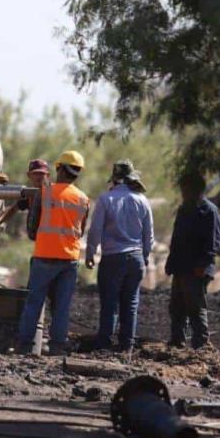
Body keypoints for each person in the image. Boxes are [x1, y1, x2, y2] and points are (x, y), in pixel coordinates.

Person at [17, 150, 90, 355]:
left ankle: (25, 346)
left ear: (58, 168)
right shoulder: (83, 199)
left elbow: (32, 228)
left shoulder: (45, 193)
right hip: (69, 260)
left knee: (34, 303)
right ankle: (57, 347)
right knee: (62, 306)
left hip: (44, 257)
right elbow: (81, 231)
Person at [86, 160, 154, 352]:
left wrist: (90, 253)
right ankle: (127, 347)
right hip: (136, 258)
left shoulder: (106, 199)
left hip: (112, 258)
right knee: (131, 303)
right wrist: (145, 256)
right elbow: (148, 235)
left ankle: (104, 345)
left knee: (109, 303)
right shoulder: (143, 201)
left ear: (114, 179)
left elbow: (95, 231)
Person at [165, 171, 220, 349]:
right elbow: (176, 238)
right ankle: (177, 343)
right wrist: (171, 262)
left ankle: (201, 345)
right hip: (181, 267)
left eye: (185, 189)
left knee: (196, 309)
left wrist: (202, 266)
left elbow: (213, 242)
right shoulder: (184, 209)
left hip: (197, 269)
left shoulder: (210, 211)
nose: (183, 193)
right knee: (177, 308)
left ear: (195, 190)